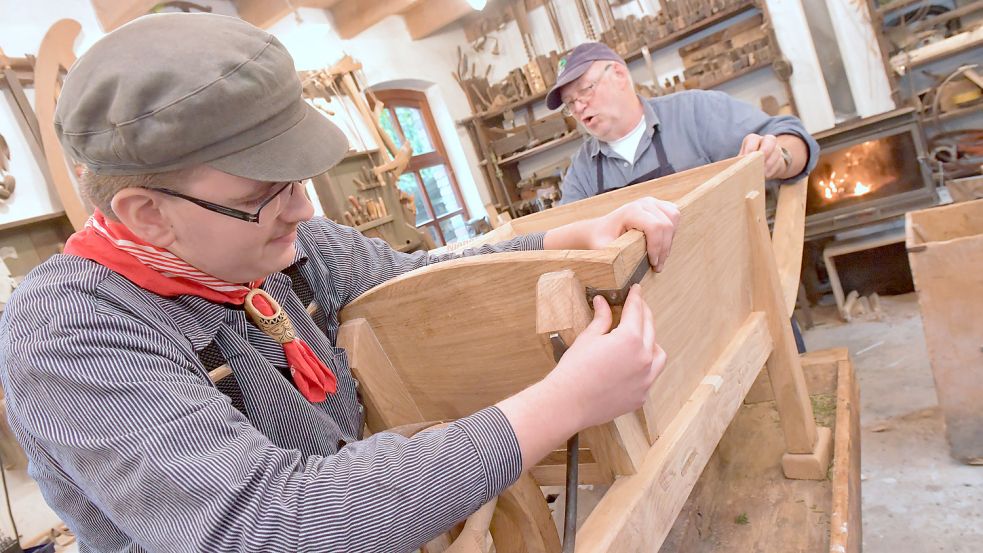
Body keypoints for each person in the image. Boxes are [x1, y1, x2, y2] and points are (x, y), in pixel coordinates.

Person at [0, 13, 681, 552]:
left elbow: (418, 278)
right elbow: (271, 526)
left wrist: (567, 236)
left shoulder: (282, 248)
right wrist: (562, 402)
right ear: (148, 214)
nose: (302, 208)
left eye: (300, 177)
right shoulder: (68, 336)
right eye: (268, 191)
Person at [545, 42, 820, 205]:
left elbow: (796, 139)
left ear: (618, 74)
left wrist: (779, 156)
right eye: (570, 103)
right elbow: (568, 242)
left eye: (585, 90)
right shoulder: (582, 171)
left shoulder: (695, 112)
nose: (579, 107)